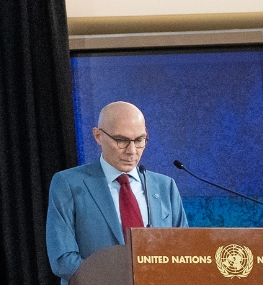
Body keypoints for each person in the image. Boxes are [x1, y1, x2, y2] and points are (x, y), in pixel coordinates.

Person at [45, 101, 188, 284]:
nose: (132, 151)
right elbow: (63, 259)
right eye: (121, 140)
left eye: (139, 140)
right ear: (98, 136)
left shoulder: (165, 186)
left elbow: (184, 252)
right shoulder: (69, 184)